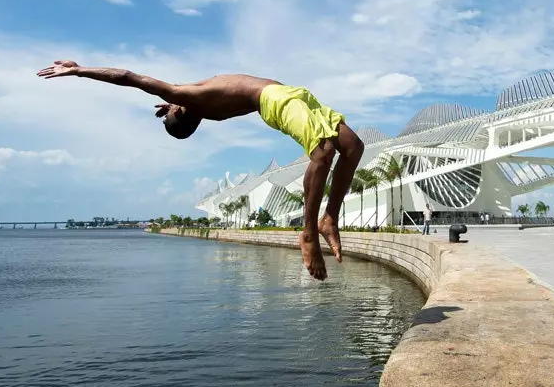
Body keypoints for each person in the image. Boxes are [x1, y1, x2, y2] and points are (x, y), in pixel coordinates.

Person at [37, 61, 363, 280]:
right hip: (277, 99)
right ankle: (309, 232)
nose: (169, 103)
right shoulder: (186, 96)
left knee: (354, 147)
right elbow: (129, 78)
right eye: (170, 107)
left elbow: (187, 100)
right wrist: (79, 71)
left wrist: (173, 108)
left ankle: (328, 218)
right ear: (179, 107)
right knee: (324, 152)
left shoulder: (198, 103)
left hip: (295, 94)